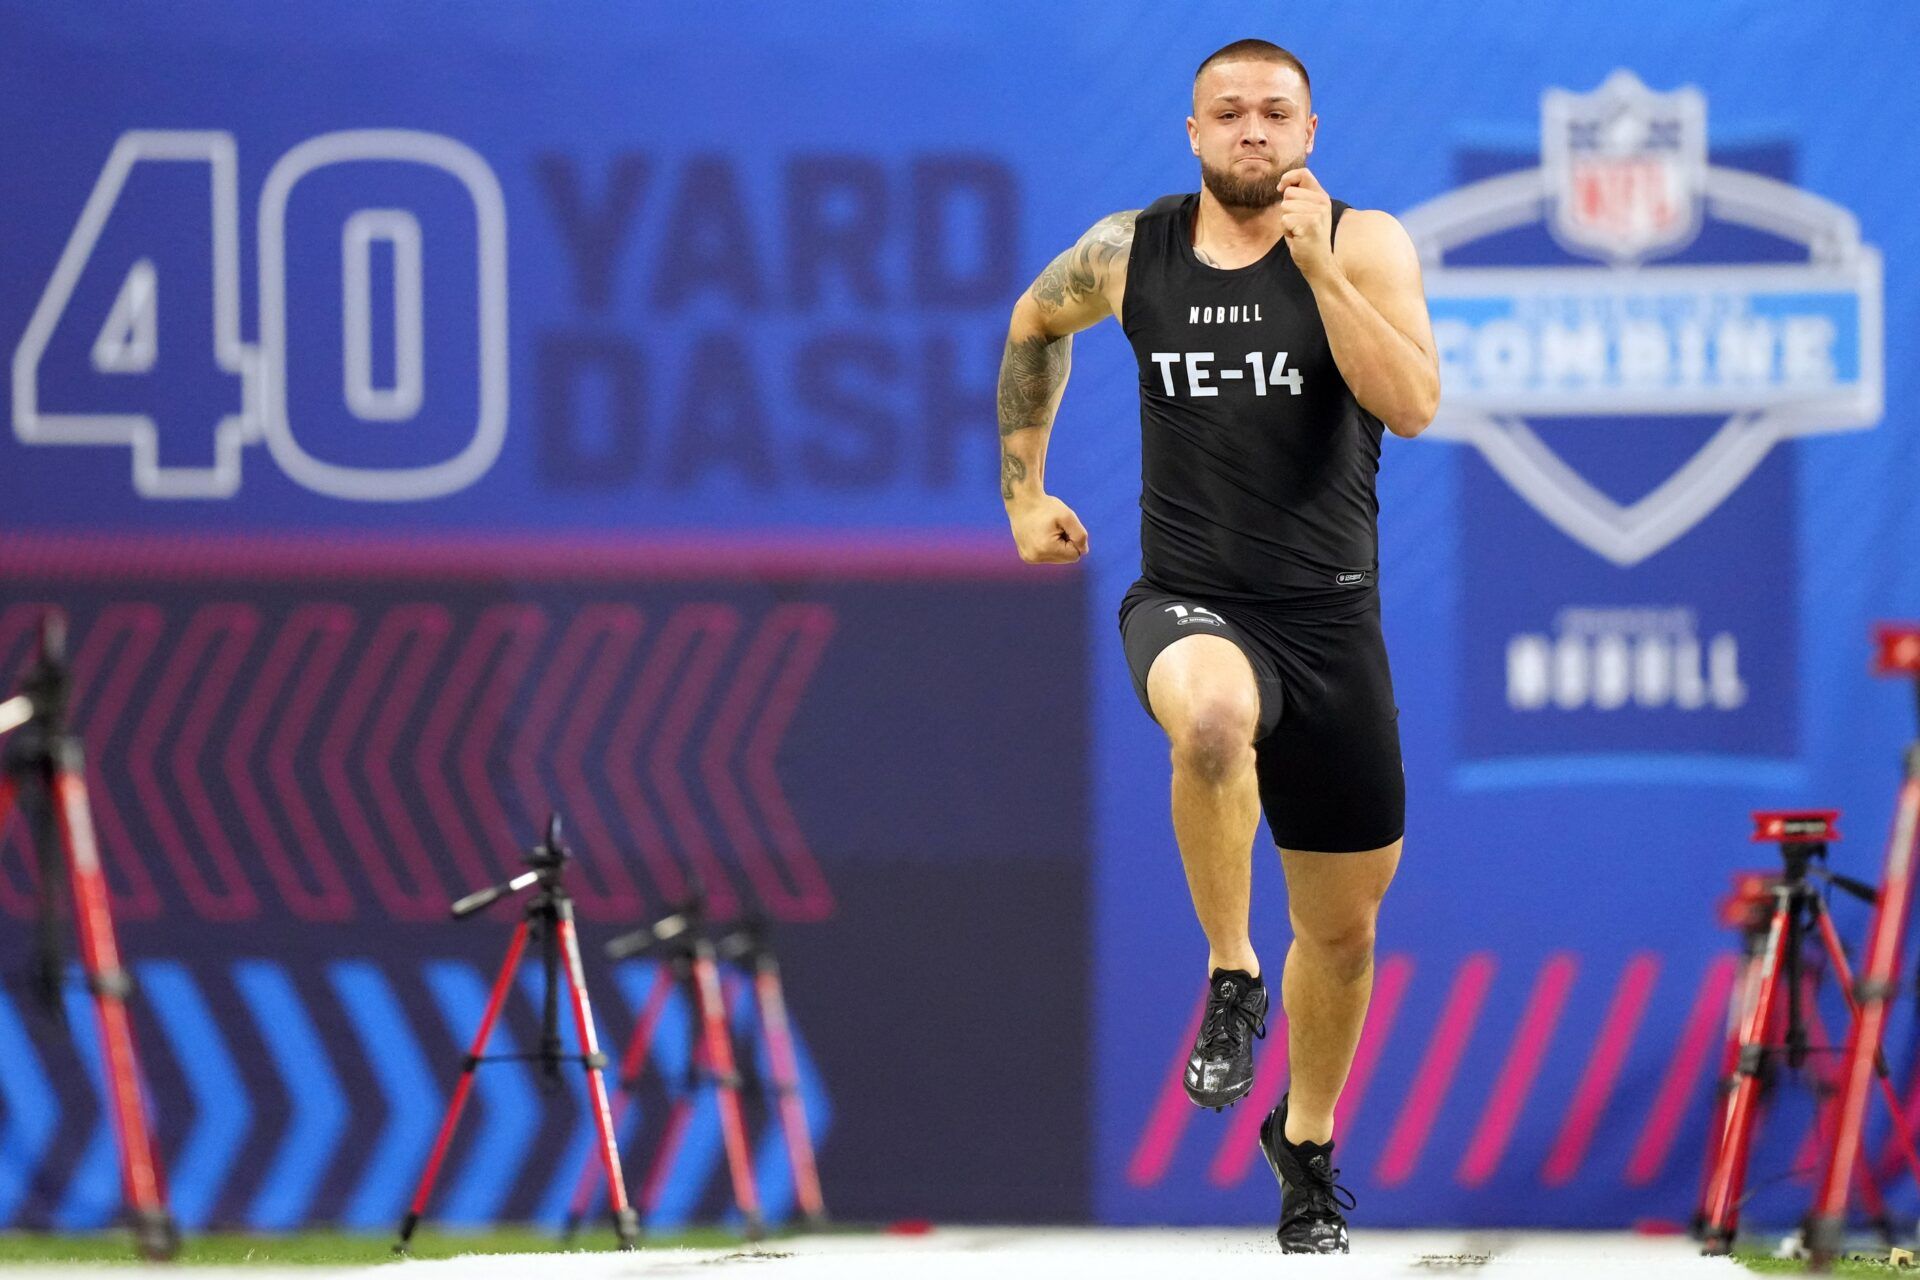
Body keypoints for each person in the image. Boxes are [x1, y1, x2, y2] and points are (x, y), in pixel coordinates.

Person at [996, 37, 1438, 1254]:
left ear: (1310, 132)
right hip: (1192, 600)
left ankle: (1304, 1140)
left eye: (1275, 114)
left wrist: (1320, 272)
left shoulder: (1363, 242)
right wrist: (1023, 493)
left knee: (1345, 932)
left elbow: (1413, 404)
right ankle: (1231, 973)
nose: (1253, 130)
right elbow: (1036, 322)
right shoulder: (1131, 250)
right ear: (1191, 133)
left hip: (1332, 620)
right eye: (1228, 113)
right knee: (1209, 720)